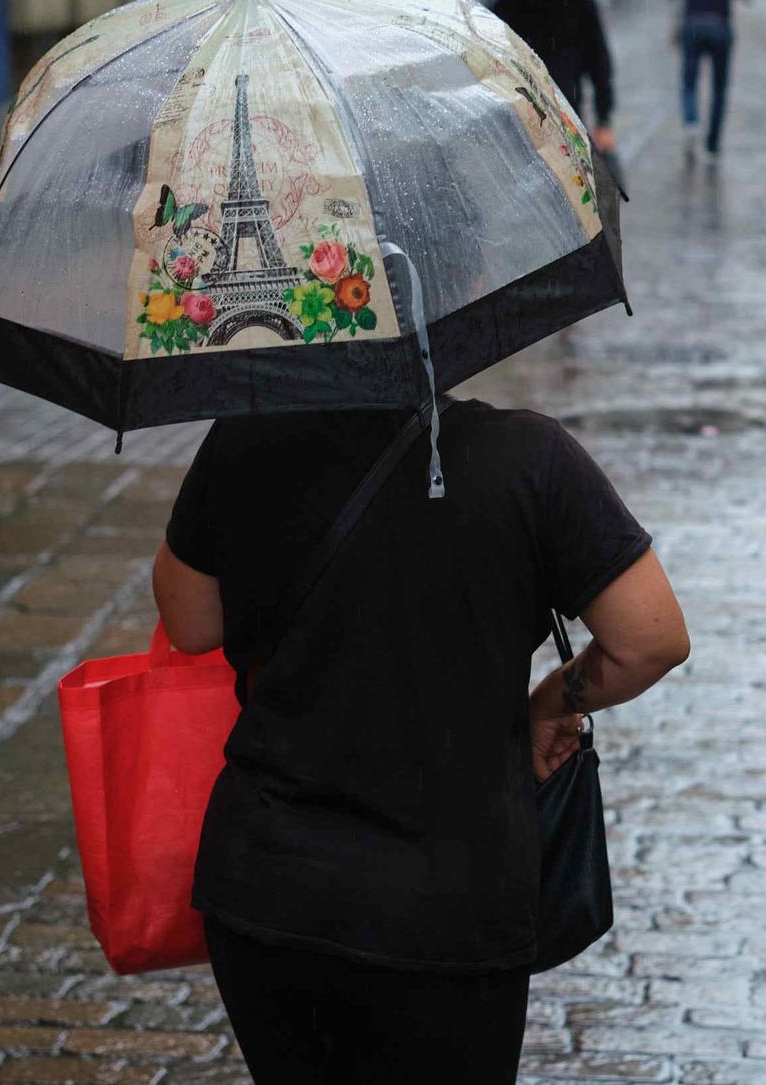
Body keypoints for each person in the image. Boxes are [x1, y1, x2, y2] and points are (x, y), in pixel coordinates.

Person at [151, 400, 690, 1083]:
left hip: (269, 891)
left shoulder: (245, 437)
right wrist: (551, 707)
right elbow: (652, 638)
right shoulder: (531, 456)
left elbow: (189, 620)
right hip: (451, 907)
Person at [491, 0, 619, 159]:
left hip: (566, 117)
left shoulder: (577, 4)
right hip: (515, 121)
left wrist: (603, 120)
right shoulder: (504, 7)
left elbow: (599, 63)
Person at [665, 0, 752, 164]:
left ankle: (691, 122)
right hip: (720, 26)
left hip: (693, 25)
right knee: (719, 89)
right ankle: (712, 145)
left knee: (689, 82)